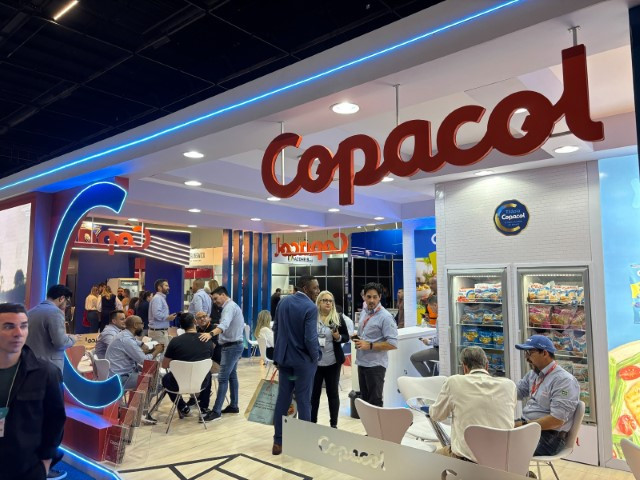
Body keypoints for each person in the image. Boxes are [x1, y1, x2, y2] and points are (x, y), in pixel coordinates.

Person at [0, 303, 66, 480]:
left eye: (23, 326)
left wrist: (45, 463)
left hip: (26, 467)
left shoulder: (47, 373)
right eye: (8, 326)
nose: (18, 333)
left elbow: (55, 421)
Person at [430, 347, 517, 462]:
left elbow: (436, 415)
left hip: (467, 462)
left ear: (464, 367)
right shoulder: (509, 385)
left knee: (432, 459)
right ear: (487, 366)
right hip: (503, 461)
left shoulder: (453, 382)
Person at [272, 275, 321, 455]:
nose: (317, 291)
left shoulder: (283, 302)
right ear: (305, 288)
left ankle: (278, 442)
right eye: (315, 288)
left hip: (285, 362)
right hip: (303, 363)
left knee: (283, 399)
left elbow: (276, 329)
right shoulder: (310, 307)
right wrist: (316, 356)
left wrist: (278, 355)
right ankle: (304, 444)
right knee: (303, 401)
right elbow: (310, 338)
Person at [515, 335, 580, 457]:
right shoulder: (533, 374)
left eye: (529, 353)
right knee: (494, 436)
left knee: (504, 446)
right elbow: (516, 392)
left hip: (550, 437)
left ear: (544, 353)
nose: (526, 357)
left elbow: (557, 420)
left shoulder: (564, 380)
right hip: (529, 428)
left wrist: (524, 425)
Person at [197, 286, 244, 422]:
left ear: (223, 295)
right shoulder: (232, 306)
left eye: (216, 298)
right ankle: (234, 405)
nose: (215, 301)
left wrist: (210, 333)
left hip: (231, 347)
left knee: (223, 378)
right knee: (232, 377)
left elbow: (224, 325)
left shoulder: (229, 308)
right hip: (234, 345)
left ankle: (216, 411)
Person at [160, 313, 214, 420]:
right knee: (207, 373)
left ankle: (183, 407)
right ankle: (204, 408)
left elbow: (165, 365)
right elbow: (208, 360)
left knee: (165, 379)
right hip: (201, 383)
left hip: (178, 383)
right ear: (195, 322)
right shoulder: (207, 340)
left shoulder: (175, 341)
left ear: (181, 326)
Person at [353, 282, 398, 407]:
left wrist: (370, 345)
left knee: (375, 402)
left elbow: (393, 344)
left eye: (375, 297)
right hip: (362, 362)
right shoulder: (364, 312)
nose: (371, 300)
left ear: (380, 297)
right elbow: (364, 335)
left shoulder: (386, 317)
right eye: (368, 297)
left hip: (375, 366)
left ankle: (377, 421)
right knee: (365, 402)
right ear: (364, 297)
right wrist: (357, 338)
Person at [311, 291, 349, 428]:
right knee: (314, 395)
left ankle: (333, 425)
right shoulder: (312, 317)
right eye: (325, 300)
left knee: (332, 394)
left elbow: (346, 336)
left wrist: (338, 337)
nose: (328, 303)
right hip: (315, 363)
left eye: (330, 301)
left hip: (333, 362)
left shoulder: (337, 318)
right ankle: (312, 423)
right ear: (319, 302)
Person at [26, 284, 77, 373]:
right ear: (61, 298)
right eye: (67, 301)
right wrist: (73, 339)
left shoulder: (30, 312)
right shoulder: (56, 313)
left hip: (30, 364)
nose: (66, 305)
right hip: (49, 367)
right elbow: (60, 343)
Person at [105, 316, 164, 391]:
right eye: (142, 324)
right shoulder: (127, 340)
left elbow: (135, 344)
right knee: (156, 383)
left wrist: (144, 345)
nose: (143, 326)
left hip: (118, 374)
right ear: (135, 325)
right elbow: (144, 361)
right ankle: (138, 399)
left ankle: (135, 398)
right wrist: (157, 351)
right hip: (120, 378)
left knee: (154, 376)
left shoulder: (124, 335)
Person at [148, 279, 177, 346]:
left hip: (160, 332)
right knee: (162, 352)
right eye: (166, 286)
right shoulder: (157, 298)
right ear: (159, 287)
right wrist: (168, 317)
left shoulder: (161, 298)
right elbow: (156, 314)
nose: (168, 288)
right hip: (158, 333)